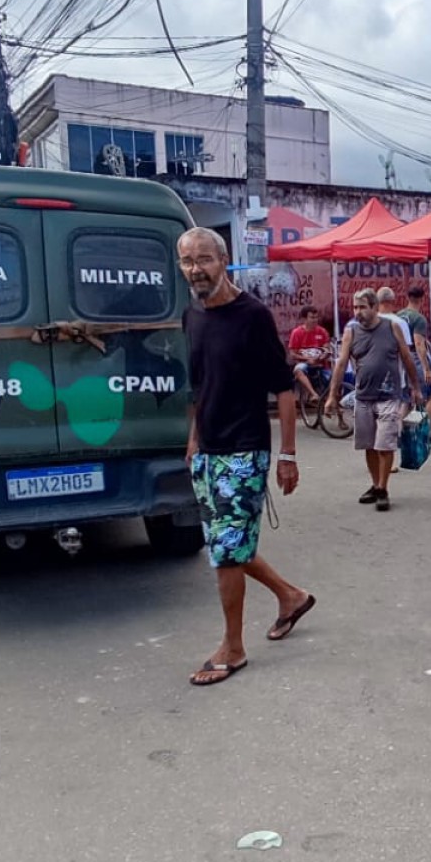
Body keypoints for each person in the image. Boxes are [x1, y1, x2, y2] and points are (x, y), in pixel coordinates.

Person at [177, 228, 315, 688]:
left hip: (243, 451)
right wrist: (193, 440)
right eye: (186, 261)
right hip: (208, 451)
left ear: (223, 259)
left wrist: (288, 454)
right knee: (228, 545)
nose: (195, 269)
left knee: (224, 555)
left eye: (203, 259)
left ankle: (233, 648)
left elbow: (283, 387)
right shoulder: (191, 315)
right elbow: (199, 386)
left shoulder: (252, 316)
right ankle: (291, 596)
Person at [327, 288, 425, 511]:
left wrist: (415, 387)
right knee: (369, 445)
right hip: (363, 397)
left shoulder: (392, 327)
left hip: (389, 396)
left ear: (374, 307)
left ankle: (383, 488)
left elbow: (407, 357)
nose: (358, 312)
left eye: (362, 307)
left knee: (385, 444)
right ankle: (375, 484)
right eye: (355, 307)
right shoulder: (351, 331)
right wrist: (332, 395)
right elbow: (341, 363)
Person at [394, 284, 431, 445]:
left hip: (400, 358)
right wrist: (426, 368)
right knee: (430, 396)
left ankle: (401, 433)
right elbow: (419, 343)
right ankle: (427, 433)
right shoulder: (419, 319)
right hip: (415, 357)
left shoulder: (398, 316)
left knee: (406, 400)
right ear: (422, 299)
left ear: (407, 297)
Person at [288, 306, 331, 403]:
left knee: (334, 378)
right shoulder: (297, 333)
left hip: (321, 364)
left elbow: (327, 349)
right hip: (305, 364)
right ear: (304, 319)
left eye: (316, 317)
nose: (315, 320)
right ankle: (313, 394)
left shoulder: (322, 332)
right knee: (298, 370)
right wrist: (306, 359)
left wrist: (320, 358)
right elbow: (292, 354)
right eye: (312, 317)